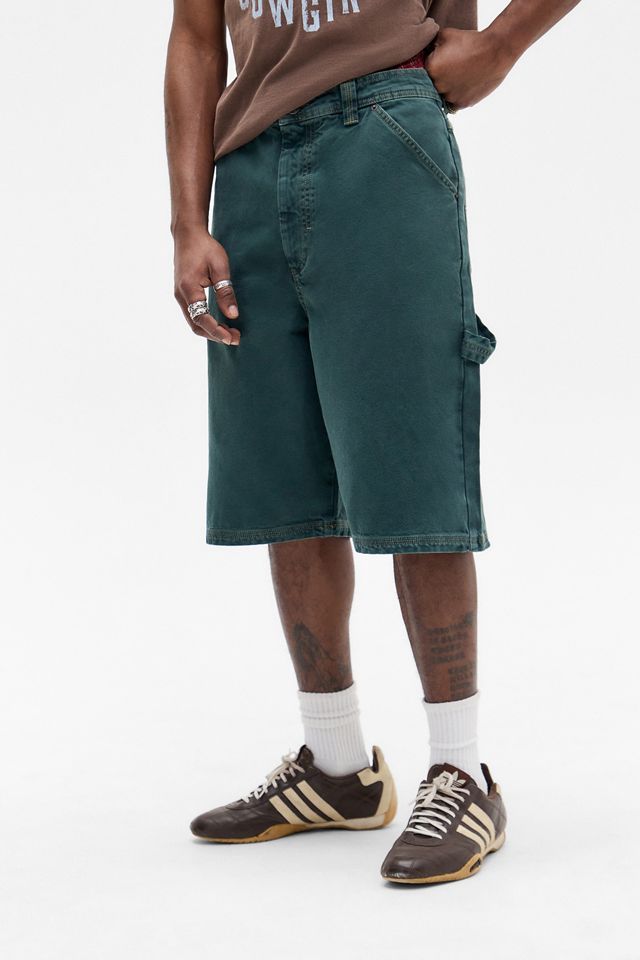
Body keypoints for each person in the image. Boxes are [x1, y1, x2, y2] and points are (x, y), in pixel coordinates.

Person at [165, 0, 580, 884]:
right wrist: (187, 224)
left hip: (381, 130)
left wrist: (503, 43)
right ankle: (336, 766)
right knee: (285, 472)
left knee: (410, 456)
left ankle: (462, 772)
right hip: (248, 161)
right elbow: (196, 37)